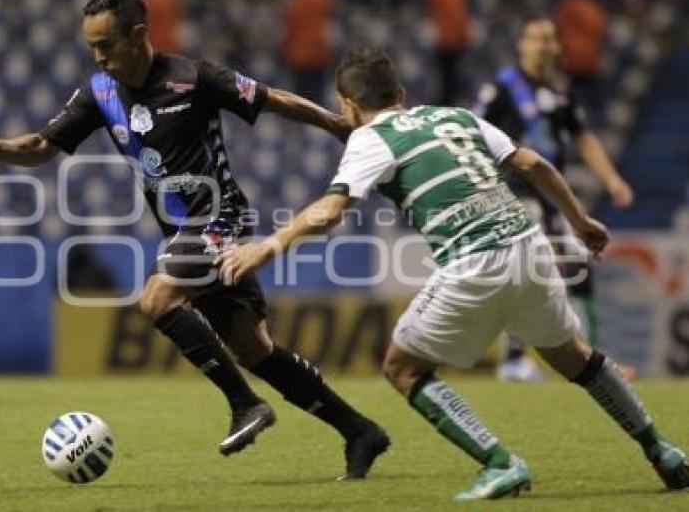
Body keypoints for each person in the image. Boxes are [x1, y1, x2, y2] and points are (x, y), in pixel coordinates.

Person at [217, 48, 689, 500]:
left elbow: (333, 208)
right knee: (577, 360)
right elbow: (533, 163)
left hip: (475, 261)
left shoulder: (370, 137)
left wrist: (270, 245)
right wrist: (580, 221)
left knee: (402, 368)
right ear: (400, 91)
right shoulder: (455, 116)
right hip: (531, 246)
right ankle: (662, 449)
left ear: (347, 105)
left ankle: (499, 461)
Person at [0, 0, 389, 480]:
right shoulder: (100, 93)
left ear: (139, 35)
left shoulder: (194, 78)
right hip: (183, 230)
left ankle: (245, 406)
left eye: (106, 44)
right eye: (91, 47)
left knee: (156, 299)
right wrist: (0, 149)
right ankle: (359, 431)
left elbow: (272, 100)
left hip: (220, 216)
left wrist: (336, 124)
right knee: (253, 349)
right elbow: (42, 144)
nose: (98, 56)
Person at [473, 17, 634, 382]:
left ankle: (593, 362)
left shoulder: (561, 91)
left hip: (550, 194)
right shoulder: (501, 88)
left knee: (579, 264)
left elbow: (585, 138)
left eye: (549, 38)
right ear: (522, 44)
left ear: (558, 46)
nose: (544, 45)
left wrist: (611, 180)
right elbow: (469, 130)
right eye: (537, 38)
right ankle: (513, 361)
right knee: (531, 266)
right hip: (513, 191)